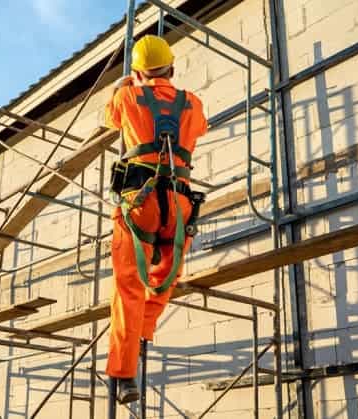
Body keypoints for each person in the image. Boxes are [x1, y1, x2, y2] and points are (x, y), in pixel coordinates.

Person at [104, 34, 208, 404]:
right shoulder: (192, 103)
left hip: (140, 202)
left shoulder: (127, 96)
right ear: (172, 68)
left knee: (129, 287)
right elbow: (200, 128)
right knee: (165, 278)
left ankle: (124, 373)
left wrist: (126, 84)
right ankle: (142, 332)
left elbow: (109, 118)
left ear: (137, 72)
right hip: (178, 204)